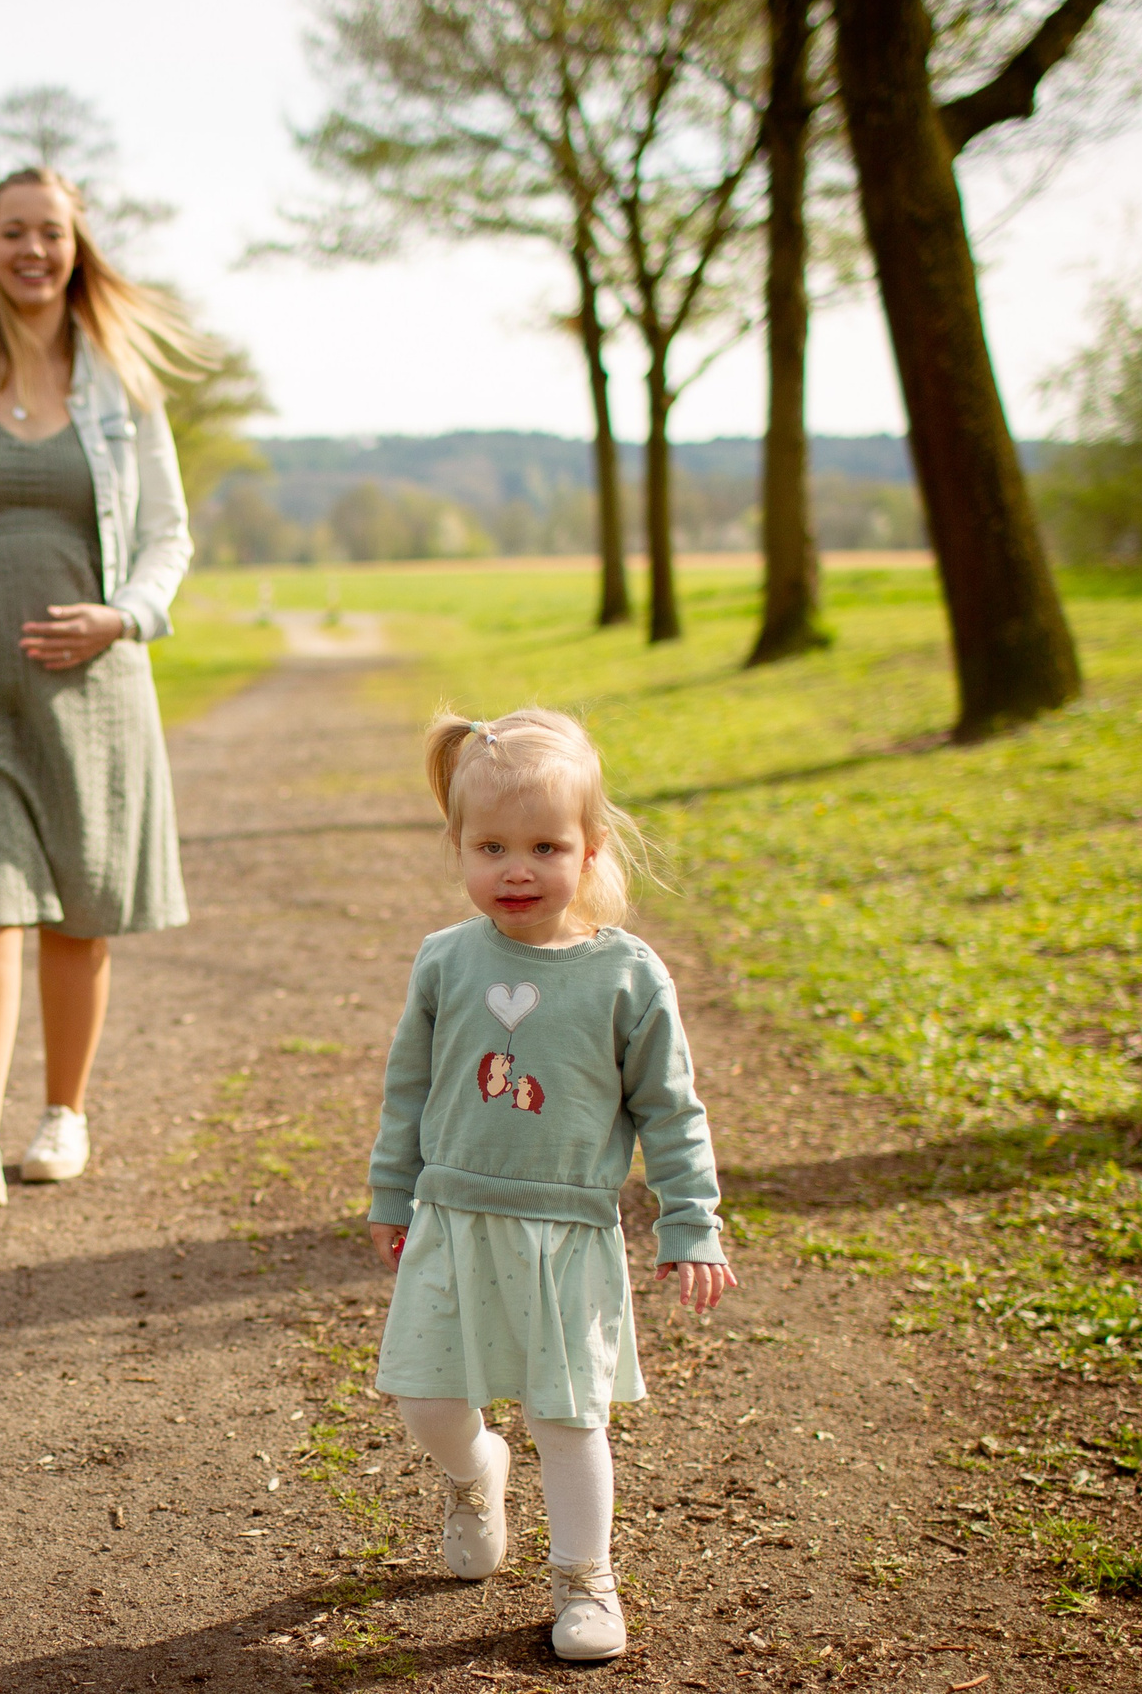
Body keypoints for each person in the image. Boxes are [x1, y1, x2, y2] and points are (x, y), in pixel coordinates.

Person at [365, 708, 738, 1662]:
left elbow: (672, 1109)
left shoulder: (627, 974)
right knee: (428, 1398)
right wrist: (391, 1192)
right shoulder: (446, 959)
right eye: (490, 846)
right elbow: (409, 1086)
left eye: (544, 845)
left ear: (590, 846)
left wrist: (691, 1221)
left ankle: (584, 1578)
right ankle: (474, 1470)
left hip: (566, 1228)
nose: (516, 868)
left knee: (568, 1416)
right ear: (457, 845)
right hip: (453, 1213)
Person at [0, 168, 201, 1210]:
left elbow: (167, 533)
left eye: (50, 234)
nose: (31, 249)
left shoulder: (119, 381)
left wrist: (126, 618)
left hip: (95, 683)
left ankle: (61, 1114)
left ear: (77, 249)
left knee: (80, 906)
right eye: (12, 232)